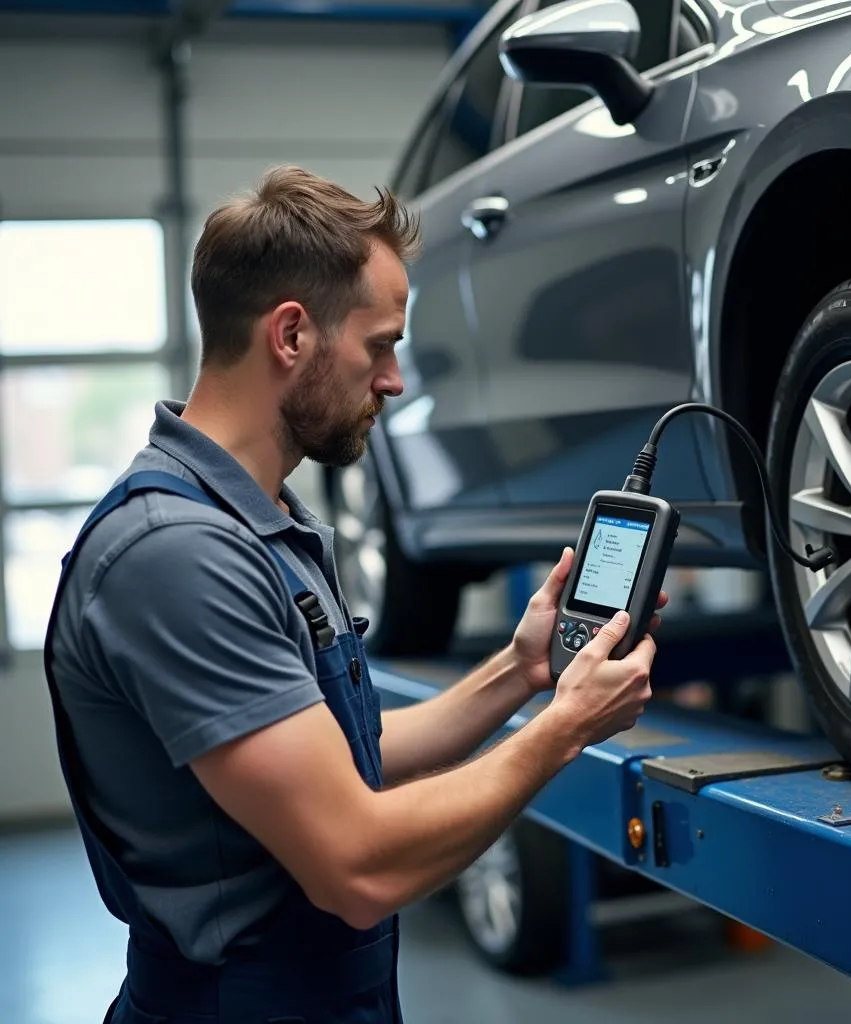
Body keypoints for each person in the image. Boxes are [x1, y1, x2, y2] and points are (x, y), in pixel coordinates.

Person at [44, 165, 663, 1024]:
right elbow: (359, 868)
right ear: (291, 334)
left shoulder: (261, 524)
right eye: (379, 344)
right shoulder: (177, 557)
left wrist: (521, 672)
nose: (396, 379)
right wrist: (565, 731)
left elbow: (349, 749)